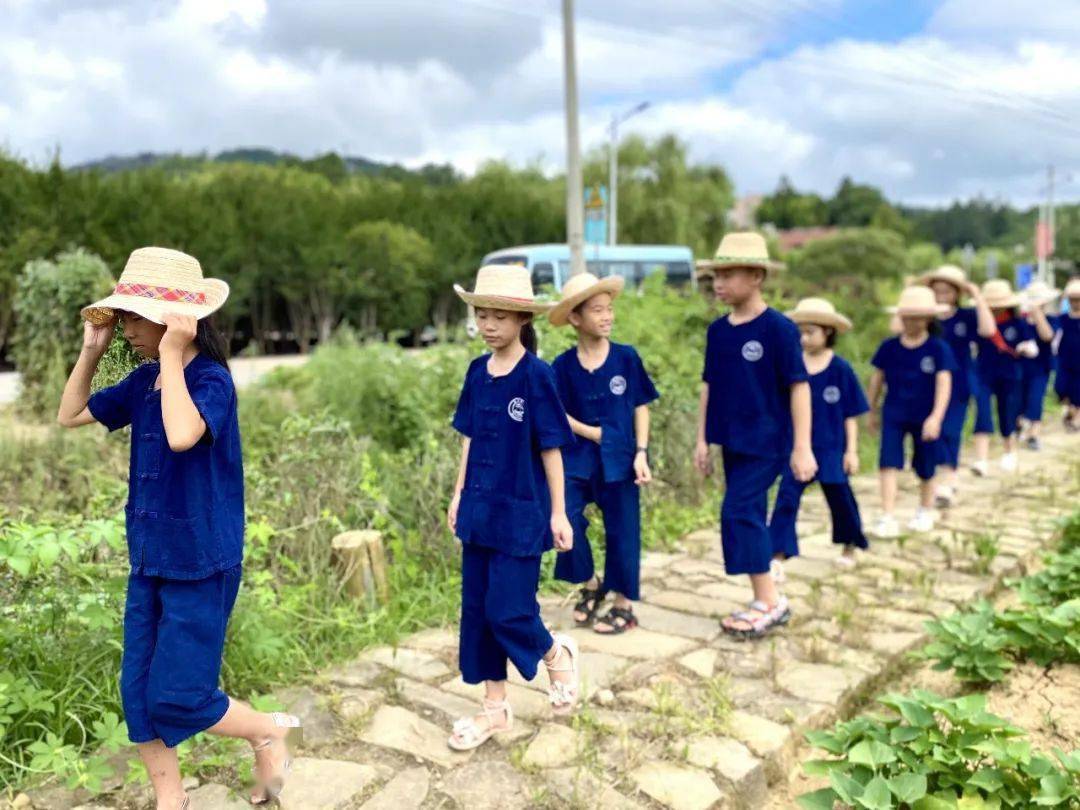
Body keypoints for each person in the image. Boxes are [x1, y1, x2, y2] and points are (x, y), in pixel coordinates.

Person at [56, 247, 301, 809]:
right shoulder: (141, 382)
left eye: (136, 317)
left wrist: (170, 355)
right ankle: (172, 799)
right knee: (137, 694)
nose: (126, 330)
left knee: (182, 695)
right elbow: (69, 415)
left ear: (176, 321)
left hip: (200, 561)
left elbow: (182, 435)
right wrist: (91, 354)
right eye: (123, 317)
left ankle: (267, 730)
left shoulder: (212, 380)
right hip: (150, 558)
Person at [446, 265, 580, 751]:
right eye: (482, 315)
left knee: (509, 610)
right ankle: (494, 710)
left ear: (522, 319)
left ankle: (555, 653)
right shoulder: (477, 372)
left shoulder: (537, 376)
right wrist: (458, 493)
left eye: (499, 317)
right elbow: (469, 437)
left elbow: (552, 448)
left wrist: (559, 512)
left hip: (522, 514)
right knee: (479, 613)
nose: (488, 325)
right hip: (479, 510)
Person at [694, 232, 817, 639]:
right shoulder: (718, 332)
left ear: (757, 276)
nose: (720, 283)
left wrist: (802, 446)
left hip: (770, 442)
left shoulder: (780, 329)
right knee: (745, 514)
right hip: (733, 440)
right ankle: (764, 593)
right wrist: (702, 441)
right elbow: (708, 386)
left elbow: (799, 386)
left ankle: (770, 601)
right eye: (716, 275)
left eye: (729, 274)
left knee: (739, 512)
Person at [547, 272, 659, 634]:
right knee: (566, 520)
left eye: (609, 309)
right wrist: (591, 433)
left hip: (622, 457)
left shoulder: (627, 359)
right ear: (576, 319)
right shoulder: (561, 367)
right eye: (598, 310)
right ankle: (591, 585)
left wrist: (641, 452)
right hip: (576, 459)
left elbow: (641, 405)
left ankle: (624, 605)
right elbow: (554, 413)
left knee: (624, 530)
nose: (607, 316)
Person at [769, 298, 869, 568]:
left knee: (840, 497)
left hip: (832, 447)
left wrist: (851, 451)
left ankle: (850, 545)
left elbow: (850, 414)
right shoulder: (790, 365)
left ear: (828, 332)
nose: (804, 337)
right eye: (799, 331)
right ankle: (778, 553)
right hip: (797, 447)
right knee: (786, 498)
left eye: (810, 331)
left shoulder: (841, 369)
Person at [867, 286, 956, 537]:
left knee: (926, 464)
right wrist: (871, 410)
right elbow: (877, 379)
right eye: (907, 316)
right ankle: (887, 515)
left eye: (917, 317)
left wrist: (936, 417)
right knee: (887, 463)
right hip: (894, 412)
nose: (911, 322)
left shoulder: (938, 348)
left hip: (925, 415)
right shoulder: (889, 347)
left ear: (928, 318)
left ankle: (925, 510)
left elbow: (944, 384)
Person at [917, 265, 994, 506]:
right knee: (930, 433)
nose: (942, 296)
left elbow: (988, 330)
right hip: (927, 384)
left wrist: (978, 297)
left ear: (957, 293)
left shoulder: (966, 316)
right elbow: (897, 329)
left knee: (950, 430)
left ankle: (949, 479)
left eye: (947, 291)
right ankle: (937, 477)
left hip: (959, 382)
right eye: (936, 291)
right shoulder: (925, 319)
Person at [970, 279, 1041, 473]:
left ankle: (1009, 451)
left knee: (1007, 412)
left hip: (1010, 374)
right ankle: (981, 459)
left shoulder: (1018, 323)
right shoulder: (978, 321)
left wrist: (1025, 348)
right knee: (983, 412)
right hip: (983, 373)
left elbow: (1032, 346)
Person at [1017, 280, 1062, 450]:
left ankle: (1034, 434)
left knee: (1036, 399)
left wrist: (1037, 313)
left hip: (1041, 368)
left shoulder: (1052, 320)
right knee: (1019, 399)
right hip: (1021, 367)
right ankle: (1019, 425)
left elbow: (1047, 336)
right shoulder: (1020, 322)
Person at [1056, 278, 1080, 432]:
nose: (1075, 302)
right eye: (1072, 299)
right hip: (1065, 360)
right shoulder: (1062, 319)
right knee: (1061, 388)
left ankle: (1074, 417)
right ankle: (1069, 412)